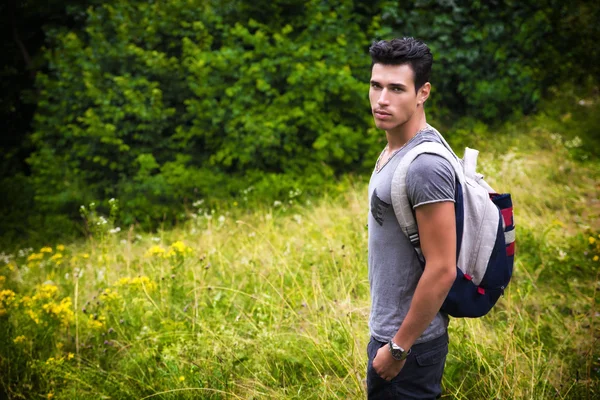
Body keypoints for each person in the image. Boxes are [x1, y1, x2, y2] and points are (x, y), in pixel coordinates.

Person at [366, 37, 457, 399]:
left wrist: (398, 349)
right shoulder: (394, 147)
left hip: (409, 347)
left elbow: (443, 267)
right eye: (376, 85)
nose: (382, 99)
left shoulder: (425, 166)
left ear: (423, 93)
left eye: (396, 88)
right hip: (393, 336)